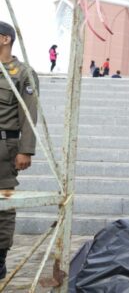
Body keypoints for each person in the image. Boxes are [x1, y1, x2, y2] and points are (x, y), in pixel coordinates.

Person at [0, 21, 39, 280]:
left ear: (5, 39)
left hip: (4, 146)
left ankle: (0, 256)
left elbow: (29, 113)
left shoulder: (21, 72)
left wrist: (26, 150)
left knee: (3, 203)